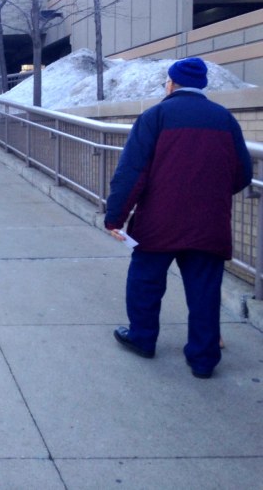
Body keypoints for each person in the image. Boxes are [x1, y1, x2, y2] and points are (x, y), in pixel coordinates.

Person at [104, 57, 252, 379]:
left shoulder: (155, 117)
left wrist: (114, 217)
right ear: (202, 87)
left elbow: (131, 172)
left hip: (158, 223)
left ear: (171, 84)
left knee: (145, 281)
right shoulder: (225, 120)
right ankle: (203, 359)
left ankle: (142, 338)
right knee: (204, 289)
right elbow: (243, 173)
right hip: (209, 224)